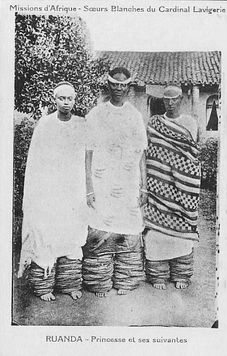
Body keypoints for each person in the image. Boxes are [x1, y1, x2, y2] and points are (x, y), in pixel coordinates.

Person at [18, 82, 88, 301]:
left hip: (73, 187)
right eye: (61, 98)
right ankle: (45, 285)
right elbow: (36, 161)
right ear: (54, 100)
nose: (66, 102)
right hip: (50, 188)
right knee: (48, 230)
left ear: (74, 100)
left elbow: (87, 156)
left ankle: (69, 283)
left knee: (72, 229)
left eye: (69, 99)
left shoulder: (81, 124)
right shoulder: (45, 125)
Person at [83, 67, 148, 297]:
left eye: (123, 85)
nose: (119, 89)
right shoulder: (96, 114)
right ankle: (100, 281)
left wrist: (144, 186)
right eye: (115, 84)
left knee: (128, 228)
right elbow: (87, 152)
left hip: (129, 181)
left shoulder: (135, 116)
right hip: (102, 182)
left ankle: (125, 279)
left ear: (129, 88)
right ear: (108, 85)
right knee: (101, 226)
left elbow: (141, 153)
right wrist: (89, 188)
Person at [144, 85, 201, 290]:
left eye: (174, 99)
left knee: (182, 227)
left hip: (182, 186)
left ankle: (181, 274)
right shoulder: (154, 122)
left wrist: (184, 179)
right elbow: (150, 150)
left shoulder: (189, 123)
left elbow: (190, 154)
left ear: (181, 99)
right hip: (159, 182)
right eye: (166, 99)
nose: (170, 102)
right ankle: (158, 275)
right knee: (156, 232)